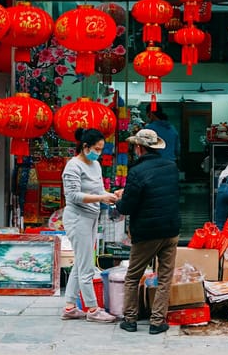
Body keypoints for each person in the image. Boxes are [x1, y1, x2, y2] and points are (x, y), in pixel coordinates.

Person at [115, 129, 180, 335]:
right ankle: (157, 321)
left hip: (146, 231)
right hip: (170, 229)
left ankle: (130, 319)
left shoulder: (136, 171)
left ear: (140, 148)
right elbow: (159, 194)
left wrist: (119, 200)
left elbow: (127, 207)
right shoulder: (171, 167)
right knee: (164, 277)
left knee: (133, 276)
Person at [61, 128, 118, 323]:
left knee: (81, 262)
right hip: (77, 218)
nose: (98, 153)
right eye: (96, 148)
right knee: (86, 266)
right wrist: (102, 197)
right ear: (85, 147)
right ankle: (93, 309)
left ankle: (70, 306)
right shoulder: (73, 167)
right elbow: (73, 196)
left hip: (92, 216)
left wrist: (111, 196)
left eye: (101, 149)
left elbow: (99, 190)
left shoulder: (96, 165)